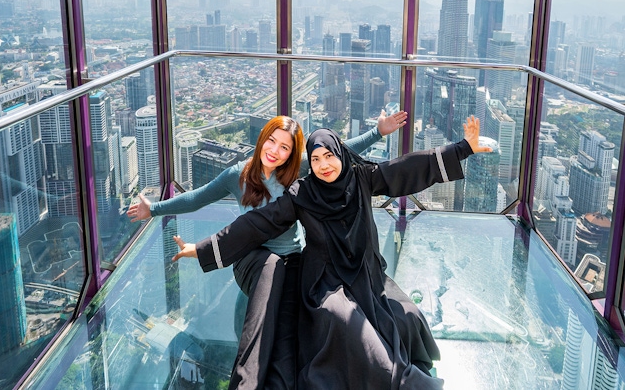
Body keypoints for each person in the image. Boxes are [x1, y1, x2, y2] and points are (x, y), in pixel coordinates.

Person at [172, 116, 491, 389]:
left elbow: (405, 170)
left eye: (329, 156)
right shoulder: (302, 193)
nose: (323, 165)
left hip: (366, 275)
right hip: (324, 283)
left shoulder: (363, 177)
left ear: (340, 154)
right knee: (354, 331)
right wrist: (199, 249)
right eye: (315, 160)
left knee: (407, 318)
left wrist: (463, 148)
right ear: (308, 164)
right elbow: (257, 223)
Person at [127, 111, 407, 389]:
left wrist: (378, 132)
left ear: (291, 153)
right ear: (262, 139)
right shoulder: (237, 175)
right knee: (268, 286)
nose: (275, 151)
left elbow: (339, 153)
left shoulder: (298, 171)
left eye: (284, 147)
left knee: (290, 328)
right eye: (271, 141)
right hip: (252, 259)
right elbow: (197, 198)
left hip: (292, 261)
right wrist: (152, 209)